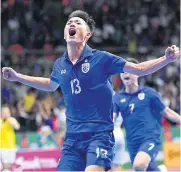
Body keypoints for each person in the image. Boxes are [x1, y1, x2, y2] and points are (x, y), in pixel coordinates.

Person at [2, 10, 180, 171]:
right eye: (69, 23)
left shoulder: (101, 59)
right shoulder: (59, 65)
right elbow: (50, 84)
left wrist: (166, 58)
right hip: (72, 140)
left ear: (87, 35)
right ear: (65, 35)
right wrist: (18, 77)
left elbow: (139, 69)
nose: (72, 24)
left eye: (78, 22)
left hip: (99, 135)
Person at [113, 58, 181, 172]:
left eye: (129, 70)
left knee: (139, 165)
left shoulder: (149, 94)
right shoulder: (118, 98)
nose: (125, 74)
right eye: (123, 71)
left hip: (150, 138)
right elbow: (112, 119)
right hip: (132, 142)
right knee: (148, 168)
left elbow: (167, 112)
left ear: (138, 73)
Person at [0, 105, 20, 172]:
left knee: (8, 166)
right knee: (5, 166)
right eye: (4, 112)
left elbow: (17, 126)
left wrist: (11, 121)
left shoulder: (11, 119)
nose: (5, 113)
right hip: (2, 147)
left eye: (7, 112)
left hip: (11, 146)